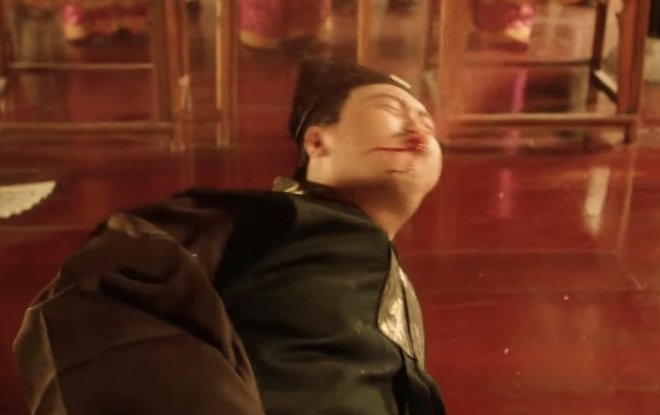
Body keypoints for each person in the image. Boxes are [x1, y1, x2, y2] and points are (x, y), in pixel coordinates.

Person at [13, 59, 445, 414]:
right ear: (317, 142)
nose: (419, 129)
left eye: (427, 120)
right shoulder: (266, 220)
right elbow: (102, 286)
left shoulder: (396, 285)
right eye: (391, 109)